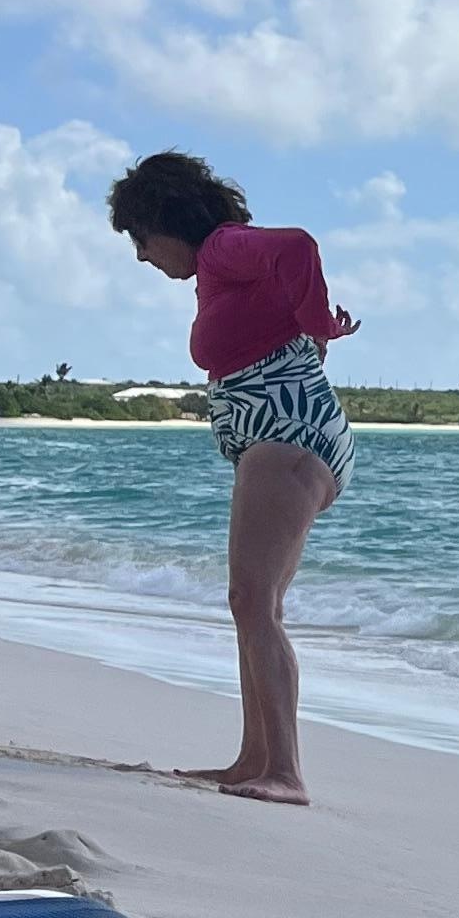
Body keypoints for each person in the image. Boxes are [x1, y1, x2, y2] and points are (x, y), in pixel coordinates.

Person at [109, 149, 358, 804]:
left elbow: (299, 248)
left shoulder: (221, 248)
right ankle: (255, 760)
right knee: (254, 603)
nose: (141, 256)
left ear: (166, 220)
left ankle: (286, 772)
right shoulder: (220, 270)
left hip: (290, 438)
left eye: (140, 238)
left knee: (253, 601)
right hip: (283, 441)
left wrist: (319, 325)